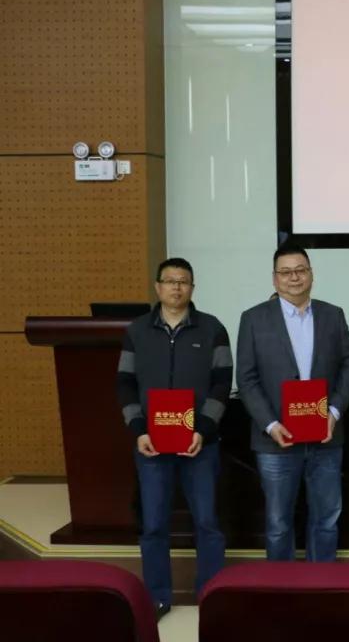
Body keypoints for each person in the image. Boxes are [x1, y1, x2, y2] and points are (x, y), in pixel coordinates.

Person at [116, 257, 231, 619]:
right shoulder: (137, 331)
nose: (177, 287)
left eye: (184, 281)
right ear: (158, 287)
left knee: (207, 523)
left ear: (192, 288)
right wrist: (138, 430)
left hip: (200, 443)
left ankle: (210, 595)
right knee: (153, 525)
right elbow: (125, 383)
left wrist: (204, 429)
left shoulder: (212, 328)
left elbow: (222, 382)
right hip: (151, 444)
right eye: (170, 281)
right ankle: (157, 597)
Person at [236, 243, 349, 562]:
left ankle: (322, 583)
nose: (294, 278)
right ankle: (281, 586)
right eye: (286, 272)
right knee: (278, 523)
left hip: (326, 436)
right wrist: (270, 424)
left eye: (300, 270)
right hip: (276, 440)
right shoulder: (253, 319)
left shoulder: (333, 315)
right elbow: (246, 379)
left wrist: (334, 411)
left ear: (311, 274)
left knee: (327, 519)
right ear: (274, 279)